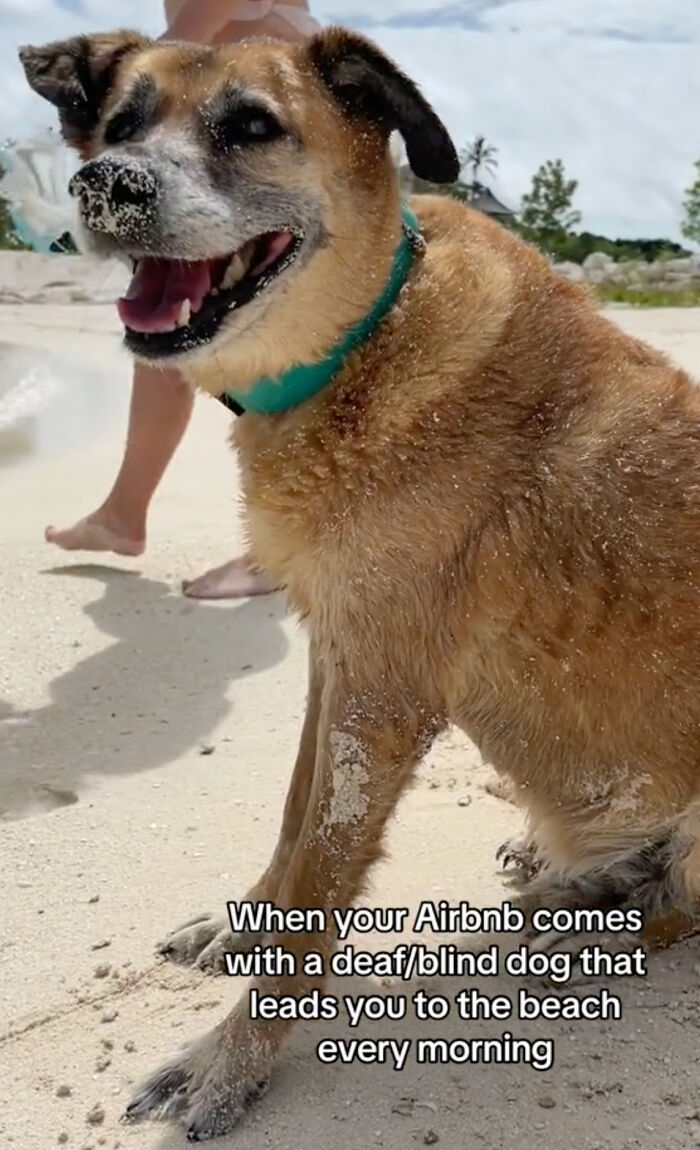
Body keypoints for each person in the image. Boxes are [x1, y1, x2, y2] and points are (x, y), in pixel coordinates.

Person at [44, 0, 320, 599]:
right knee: (165, 321)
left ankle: (276, 548)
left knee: (284, 363)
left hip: (273, 152)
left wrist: (100, 114)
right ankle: (124, 512)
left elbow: (165, 54)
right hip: (225, 143)